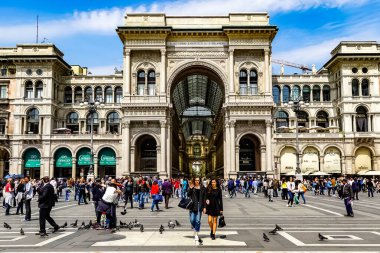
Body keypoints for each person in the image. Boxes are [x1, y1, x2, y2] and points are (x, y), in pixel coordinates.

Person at [188, 177, 206, 246]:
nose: (197, 181)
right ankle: (195, 228)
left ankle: (196, 234)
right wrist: (190, 188)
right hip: (193, 205)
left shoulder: (203, 188)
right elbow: (188, 195)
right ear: (194, 181)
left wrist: (204, 207)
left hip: (200, 205)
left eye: (198, 180)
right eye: (196, 180)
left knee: (198, 220)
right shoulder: (192, 187)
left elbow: (204, 198)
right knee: (192, 220)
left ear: (200, 181)